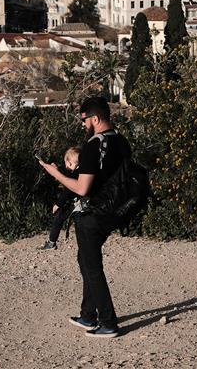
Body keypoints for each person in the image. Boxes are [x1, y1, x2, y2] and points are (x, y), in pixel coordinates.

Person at [40, 96, 131, 339]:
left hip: (93, 214)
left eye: (84, 119)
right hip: (114, 211)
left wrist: (56, 173)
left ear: (96, 118)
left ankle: (108, 322)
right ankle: (88, 314)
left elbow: (82, 188)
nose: (82, 124)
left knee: (92, 267)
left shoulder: (93, 145)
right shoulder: (121, 141)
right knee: (85, 260)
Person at [40, 147, 80, 250]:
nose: (66, 166)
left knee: (58, 220)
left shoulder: (74, 175)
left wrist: (58, 204)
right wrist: (56, 169)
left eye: (67, 163)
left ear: (70, 163)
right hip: (81, 202)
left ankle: (51, 243)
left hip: (72, 203)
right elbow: (66, 173)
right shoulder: (80, 173)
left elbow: (67, 191)